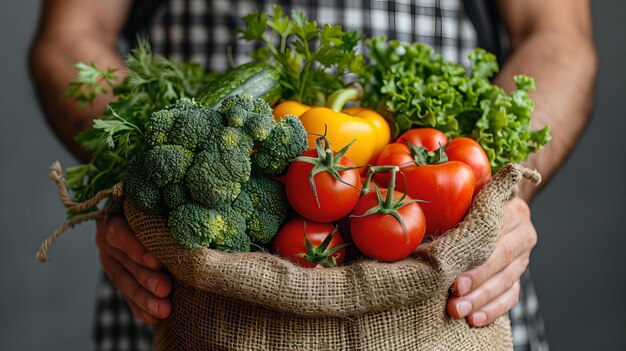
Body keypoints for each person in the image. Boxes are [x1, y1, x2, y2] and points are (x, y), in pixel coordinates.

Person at [29, 0, 597, 350]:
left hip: (454, 293)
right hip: (183, 290)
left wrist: (497, 194)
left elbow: (559, 38)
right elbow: (68, 36)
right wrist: (146, 174)